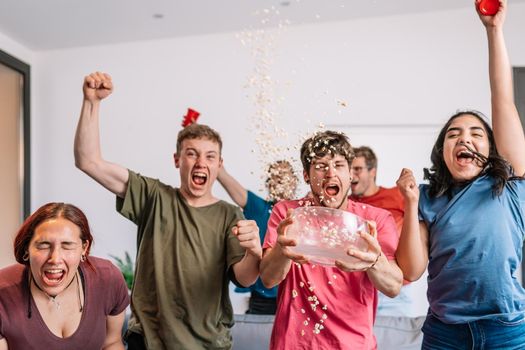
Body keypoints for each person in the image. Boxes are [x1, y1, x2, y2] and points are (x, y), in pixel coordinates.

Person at [74, 72, 262, 350]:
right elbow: (88, 161)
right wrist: (91, 102)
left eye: (210, 156)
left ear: (219, 164)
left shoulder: (230, 214)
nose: (201, 162)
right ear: (177, 160)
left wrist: (254, 251)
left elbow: (245, 277)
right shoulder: (153, 196)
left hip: (208, 344)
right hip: (148, 342)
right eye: (191, 153)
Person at [396, 1, 525, 348]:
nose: (464, 137)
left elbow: (503, 99)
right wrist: (409, 204)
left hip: (507, 331)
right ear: (443, 151)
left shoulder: (510, 187)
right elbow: (410, 270)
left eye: (476, 133)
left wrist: (493, 31)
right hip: (445, 333)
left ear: (490, 150)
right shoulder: (427, 197)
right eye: (454, 134)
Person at [260, 130, 403, 349]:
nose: (330, 173)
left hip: (353, 344)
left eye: (338, 165)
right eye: (320, 166)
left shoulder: (375, 219)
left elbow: (393, 287)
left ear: (349, 175)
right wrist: (282, 249)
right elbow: (269, 279)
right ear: (306, 175)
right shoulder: (288, 214)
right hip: (293, 344)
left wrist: (374, 261)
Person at [0, 202, 129, 350]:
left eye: (67, 245)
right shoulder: (2, 293)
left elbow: (111, 343)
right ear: (27, 249)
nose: (55, 259)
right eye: (43, 244)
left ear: (84, 248)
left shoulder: (108, 278)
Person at [218, 160, 298, 314]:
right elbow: (229, 182)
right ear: (269, 184)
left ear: (294, 183)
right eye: (276, 176)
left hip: (292, 295)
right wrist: (214, 162)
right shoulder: (259, 207)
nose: (281, 180)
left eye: (286, 176)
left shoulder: (302, 211)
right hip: (262, 297)